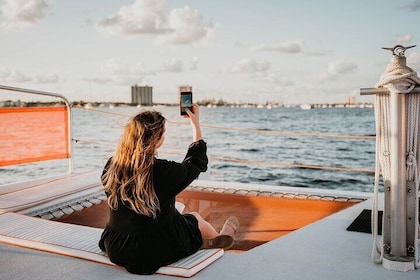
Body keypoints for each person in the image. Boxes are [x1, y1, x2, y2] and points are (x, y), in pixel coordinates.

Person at [98, 104, 239, 275]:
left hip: (117, 247)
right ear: (157, 140)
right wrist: (195, 123)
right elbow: (197, 162)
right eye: (163, 133)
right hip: (152, 251)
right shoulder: (164, 171)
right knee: (193, 218)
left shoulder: (111, 166)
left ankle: (210, 240)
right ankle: (217, 239)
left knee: (171, 212)